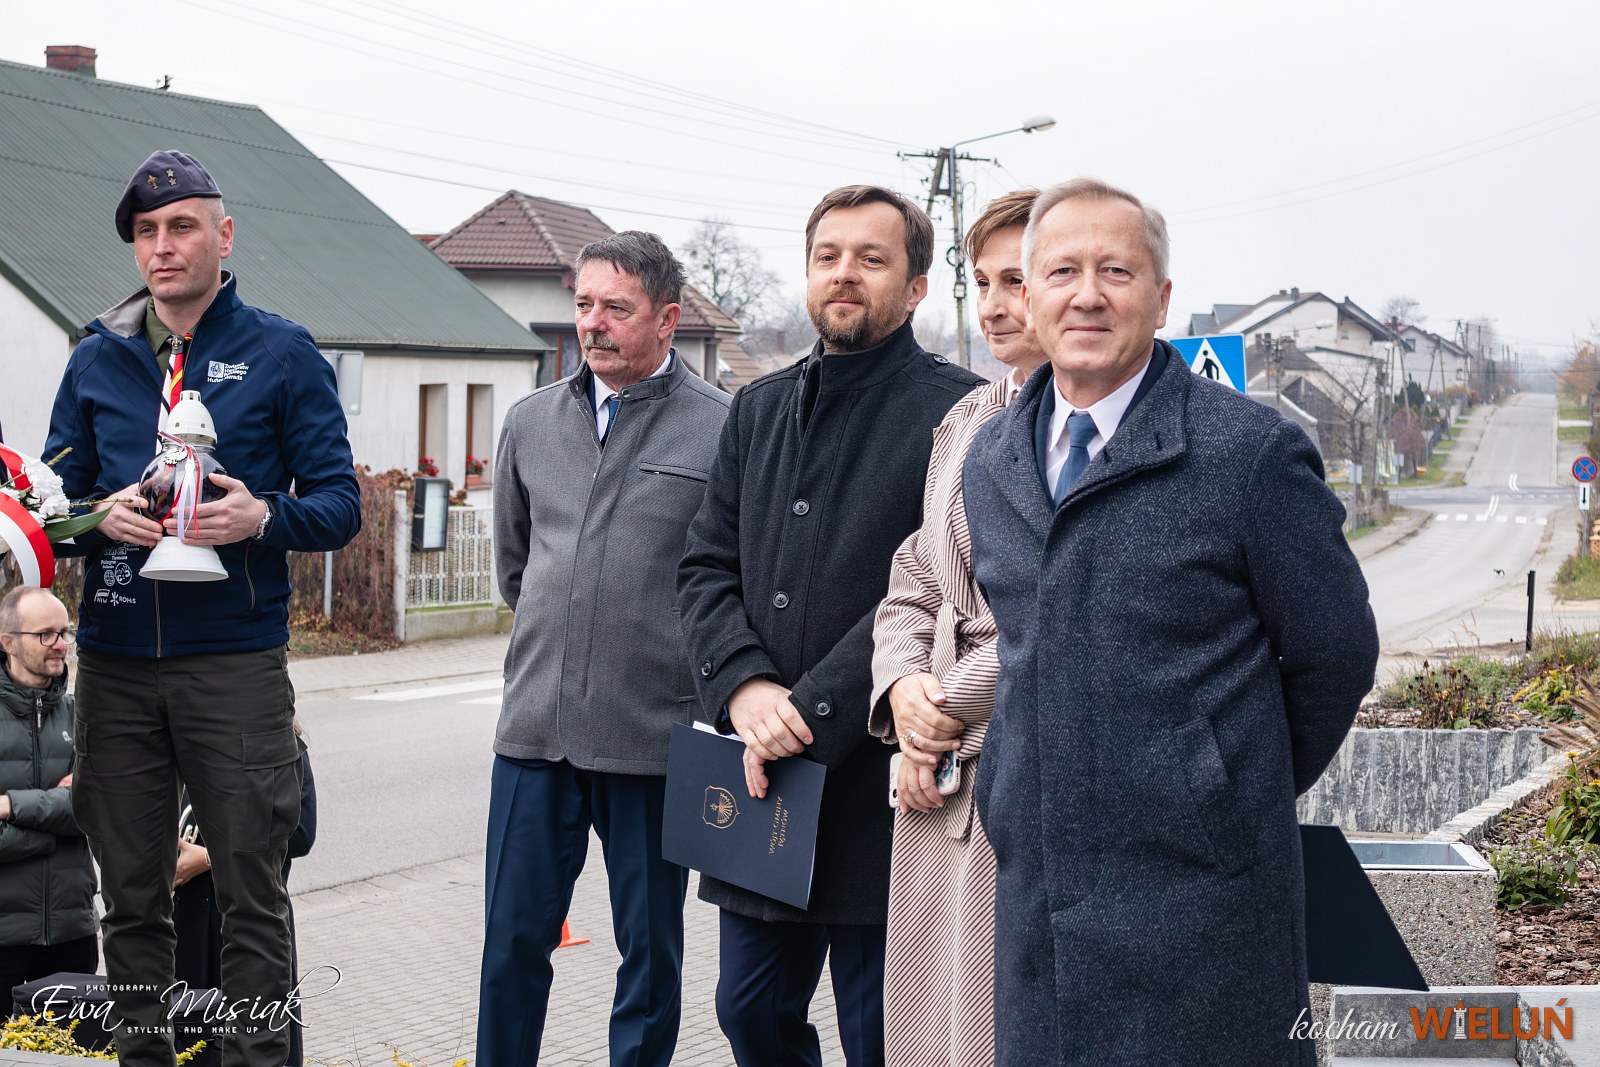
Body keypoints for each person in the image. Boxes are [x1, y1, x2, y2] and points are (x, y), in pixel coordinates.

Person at [961, 177, 1379, 1066]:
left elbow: (1336, 652)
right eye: (1061, 271)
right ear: (1028, 297)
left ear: (1161, 298)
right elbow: (1021, 651)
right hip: (1039, 895)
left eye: (1116, 270)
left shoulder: (1249, 454)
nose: (1087, 294)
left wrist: (1220, 782)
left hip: (1202, 901)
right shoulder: (992, 459)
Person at [44, 149, 361, 1067]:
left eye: (181, 226)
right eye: (146, 232)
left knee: (250, 896)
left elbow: (340, 504)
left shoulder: (282, 352)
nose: (162, 246)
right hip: (115, 665)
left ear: (224, 236)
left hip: (233, 663)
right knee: (131, 900)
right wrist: (98, 518)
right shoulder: (94, 357)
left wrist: (263, 517)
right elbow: (52, 507)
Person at [677, 185, 982, 1067]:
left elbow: (937, 592)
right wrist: (744, 686)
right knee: (747, 1013)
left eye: (871, 258)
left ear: (916, 287)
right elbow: (704, 567)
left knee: (881, 1035)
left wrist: (805, 711)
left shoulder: (959, 415)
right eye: (828, 256)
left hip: (884, 782)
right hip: (762, 775)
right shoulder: (758, 407)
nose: (844, 273)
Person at [481, 230, 730, 1067]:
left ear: (667, 318)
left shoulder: (722, 428)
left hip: (652, 743)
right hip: (534, 735)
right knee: (511, 944)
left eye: (616, 307)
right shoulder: (530, 422)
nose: (593, 323)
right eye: (584, 304)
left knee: (650, 957)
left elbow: (728, 581)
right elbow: (516, 568)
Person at [866, 188, 1044, 1067]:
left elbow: (1058, 613)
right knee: (927, 1018)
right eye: (984, 283)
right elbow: (914, 576)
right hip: (937, 758)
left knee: (991, 1023)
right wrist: (903, 689)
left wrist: (941, 717)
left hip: (1009, 755)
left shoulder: (1078, 433)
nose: (997, 304)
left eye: (1019, 280)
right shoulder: (966, 420)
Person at [174, 724, 315, 1065]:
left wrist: (210, 858)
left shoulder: (285, 744)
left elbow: (300, 834)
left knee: (258, 1034)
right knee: (192, 1042)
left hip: (253, 917)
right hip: (188, 925)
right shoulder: (185, 741)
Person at [0, 588, 97, 1015]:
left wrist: (10, 805)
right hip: (3, 939)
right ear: (7, 641)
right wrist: (53, 833)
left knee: (74, 1048)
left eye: (64, 632)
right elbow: (74, 813)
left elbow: (95, 808)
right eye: (45, 635)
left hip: (72, 936)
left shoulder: (84, 716)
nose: (60, 644)